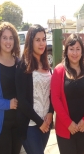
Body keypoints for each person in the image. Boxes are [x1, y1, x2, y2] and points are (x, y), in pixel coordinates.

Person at [51, 33, 84, 154]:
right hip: (65, 129)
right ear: (66, 51)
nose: (75, 53)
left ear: (82, 51)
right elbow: (55, 99)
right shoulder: (58, 71)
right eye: (71, 49)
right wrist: (68, 123)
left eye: (78, 49)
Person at [15, 24, 54, 154]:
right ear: (30, 41)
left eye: (44, 39)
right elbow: (22, 100)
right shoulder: (23, 65)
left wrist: (50, 112)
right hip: (30, 124)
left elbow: (51, 93)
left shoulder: (47, 66)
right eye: (37, 40)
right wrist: (39, 122)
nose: (42, 43)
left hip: (46, 124)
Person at [0, 22, 22, 154]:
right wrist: (7, 104)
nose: (8, 41)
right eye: (4, 37)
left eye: (11, 38)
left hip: (18, 124)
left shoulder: (19, 63)